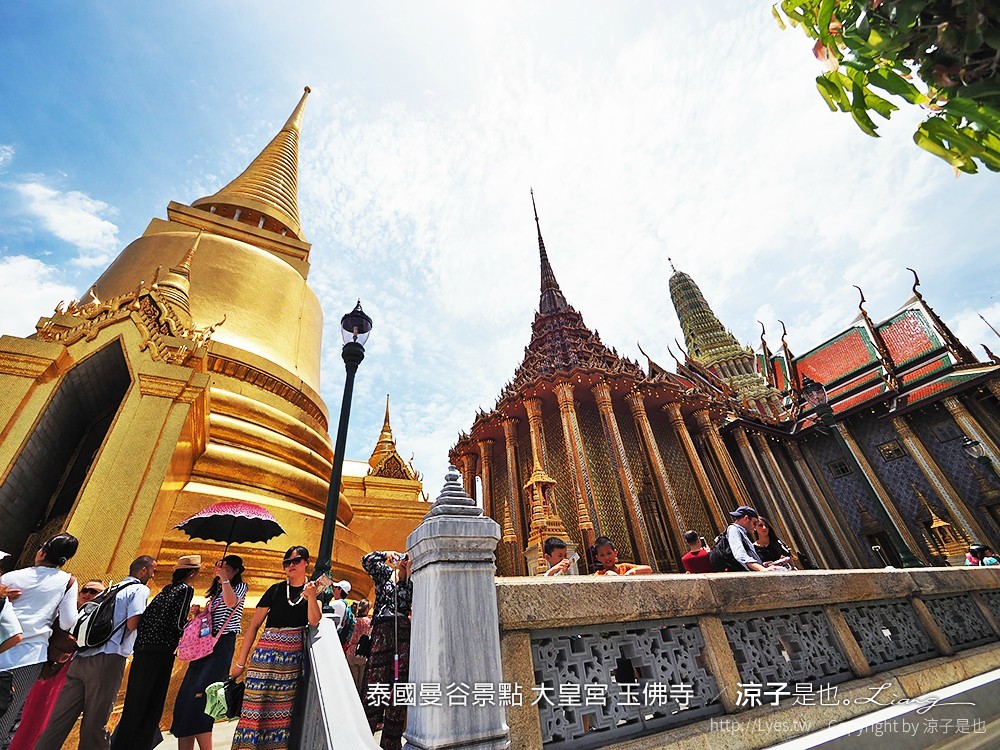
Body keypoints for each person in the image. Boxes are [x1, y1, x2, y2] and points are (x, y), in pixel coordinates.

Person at [230, 545, 321, 750]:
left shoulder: (313, 591)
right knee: (253, 709)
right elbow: (253, 626)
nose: (290, 566)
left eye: (295, 561)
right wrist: (240, 662)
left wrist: (312, 596)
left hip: (290, 662)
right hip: (264, 656)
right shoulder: (276, 589)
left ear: (307, 562)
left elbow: (314, 621)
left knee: (280, 714)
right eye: (286, 563)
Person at [112, 555, 202, 750]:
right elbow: (177, 624)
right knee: (152, 702)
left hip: (143, 649)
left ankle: (122, 743)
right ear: (194, 573)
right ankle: (140, 744)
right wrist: (193, 620)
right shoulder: (186, 590)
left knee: (135, 700)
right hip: (161, 651)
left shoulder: (165, 590)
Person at [0, 533, 79, 749]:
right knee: (7, 716)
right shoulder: (68, 582)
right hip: (29, 656)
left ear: (41, 551)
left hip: (1, 647)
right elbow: (68, 621)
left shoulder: (11, 577)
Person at [9, 579, 105, 750]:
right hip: (45, 670)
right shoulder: (63, 613)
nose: (88, 594)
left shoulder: (98, 622)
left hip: (69, 675)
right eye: (86, 590)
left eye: (95, 592)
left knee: (47, 717)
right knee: (26, 714)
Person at [171, 555, 247, 750]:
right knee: (186, 699)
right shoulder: (216, 593)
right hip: (205, 646)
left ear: (235, 570)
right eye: (217, 566)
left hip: (221, 647)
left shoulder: (238, 587)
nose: (218, 569)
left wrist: (225, 580)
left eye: (224, 567)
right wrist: (198, 614)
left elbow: (232, 603)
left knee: (203, 699)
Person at [360, 550, 413, 750]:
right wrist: (387, 554)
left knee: (399, 688)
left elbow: (409, 603)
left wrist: (407, 574)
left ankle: (392, 743)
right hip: (383, 631)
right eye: (402, 557)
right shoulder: (385, 574)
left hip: (403, 636)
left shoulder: (410, 582)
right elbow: (366, 561)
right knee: (375, 683)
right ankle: (363, 739)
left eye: (406, 558)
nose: (403, 561)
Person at [345, 599, 372, 693]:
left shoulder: (353, 621)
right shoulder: (369, 622)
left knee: (352, 682)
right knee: (361, 683)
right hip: (363, 653)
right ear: (367, 609)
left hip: (351, 652)